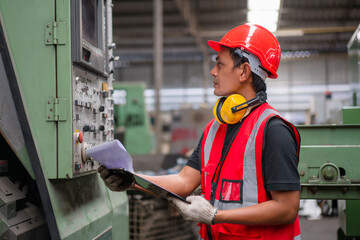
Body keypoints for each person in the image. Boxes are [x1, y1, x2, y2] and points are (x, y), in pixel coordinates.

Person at [98, 23, 301, 240]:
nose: (213, 72)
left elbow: (286, 209)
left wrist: (215, 215)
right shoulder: (215, 129)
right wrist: (132, 179)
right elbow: (184, 182)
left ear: (243, 71)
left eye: (220, 64)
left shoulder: (273, 130)